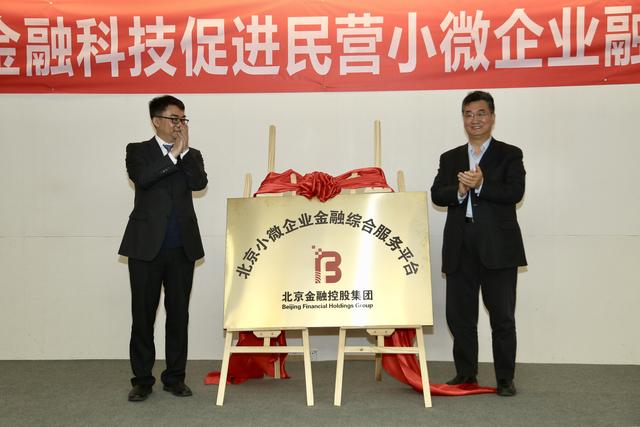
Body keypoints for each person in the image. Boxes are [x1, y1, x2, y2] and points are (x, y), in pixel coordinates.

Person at [430, 91, 526, 397]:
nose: (475, 120)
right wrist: (459, 190)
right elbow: (437, 194)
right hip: (460, 244)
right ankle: (466, 373)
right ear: (463, 119)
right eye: (469, 114)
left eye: (481, 113)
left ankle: (505, 379)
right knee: (460, 317)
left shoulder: (510, 154)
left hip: (498, 246)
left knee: (502, 317)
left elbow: (515, 192)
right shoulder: (450, 157)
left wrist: (482, 184)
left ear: (492, 117)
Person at [119, 95, 207, 402]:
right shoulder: (137, 151)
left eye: (183, 119)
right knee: (143, 316)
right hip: (145, 248)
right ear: (156, 121)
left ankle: (175, 378)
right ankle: (142, 380)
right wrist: (172, 156)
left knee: (178, 316)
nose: (179, 125)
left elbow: (199, 183)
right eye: (174, 119)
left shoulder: (192, 155)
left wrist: (183, 153)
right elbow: (143, 179)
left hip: (182, 248)